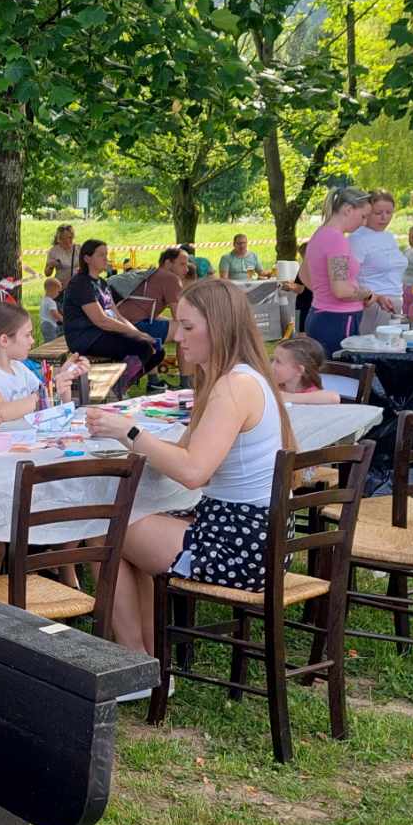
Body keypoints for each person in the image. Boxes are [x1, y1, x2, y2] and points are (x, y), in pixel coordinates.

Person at [101, 280, 297, 664]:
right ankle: (149, 660)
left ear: (220, 327)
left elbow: (194, 472)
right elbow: (187, 456)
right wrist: (133, 437)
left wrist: (129, 433)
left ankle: (135, 662)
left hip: (242, 545)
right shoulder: (236, 379)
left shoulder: (232, 388)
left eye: (189, 327)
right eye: (178, 325)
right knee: (131, 526)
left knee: (101, 533)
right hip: (260, 535)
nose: (178, 337)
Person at [62, 238, 165, 396]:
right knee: (142, 347)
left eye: (106, 254)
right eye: (101, 255)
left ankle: (121, 385)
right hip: (86, 338)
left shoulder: (102, 283)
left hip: (103, 334)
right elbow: (102, 320)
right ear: (87, 258)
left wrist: (140, 334)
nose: (106, 258)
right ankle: (115, 389)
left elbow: (117, 316)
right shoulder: (80, 284)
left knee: (157, 351)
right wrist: (138, 336)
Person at [0, 304, 83, 426]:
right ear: (4, 340)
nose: (32, 341)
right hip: (0, 442)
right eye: (27, 335)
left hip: (26, 439)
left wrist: (63, 379)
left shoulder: (19, 368)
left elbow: (47, 405)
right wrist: (41, 395)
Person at [302, 186, 371, 352]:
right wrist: (367, 294)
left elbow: (304, 275)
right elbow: (341, 291)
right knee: (342, 375)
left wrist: (323, 293)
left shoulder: (319, 234)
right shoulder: (336, 239)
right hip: (338, 321)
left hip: (321, 315)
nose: (364, 223)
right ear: (348, 209)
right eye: (363, 216)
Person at [351, 191, 407, 336]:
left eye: (389, 212)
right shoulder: (358, 239)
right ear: (367, 212)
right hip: (373, 304)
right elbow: (349, 277)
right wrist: (372, 296)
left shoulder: (389, 237)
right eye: (378, 213)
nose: (384, 217)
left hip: (395, 302)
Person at [270, 335, 340, 405]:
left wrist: (288, 397)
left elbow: (334, 398)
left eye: (278, 362)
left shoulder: (312, 396)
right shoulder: (274, 385)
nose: (271, 366)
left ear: (299, 370)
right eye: (272, 360)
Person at [40, 275, 65, 346]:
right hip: (49, 324)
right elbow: (54, 314)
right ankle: (49, 354)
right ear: (52, 290)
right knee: (52, 342)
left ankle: (46, 350)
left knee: (48, 340)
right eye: (58, 292)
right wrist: (64, 320)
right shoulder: (51, 302)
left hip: (44, 324)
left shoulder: (44, 300)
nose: (58, 294)